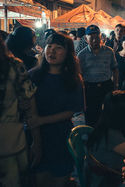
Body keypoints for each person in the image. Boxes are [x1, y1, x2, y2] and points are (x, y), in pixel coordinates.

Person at [29, 33, 84, 187]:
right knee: (40, 179)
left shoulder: (73, 80)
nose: (51, 51)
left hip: (61, 136)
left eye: (58, 48)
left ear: (67, 53)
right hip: (36, 136)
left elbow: (72, 110)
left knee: (60, 179)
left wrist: (42, 120)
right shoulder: (33, 76)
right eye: (49, 46)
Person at [0, 36, 41, 187]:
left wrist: (36, 141)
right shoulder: (15, 65)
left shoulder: (14, 66)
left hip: (11, 144)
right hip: (13, 142)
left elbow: (29, 103)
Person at [78, 25, 118, 126]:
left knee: (108, 114)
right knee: (91, 116)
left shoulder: (109, 51)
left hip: (106, 86)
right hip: (89, 88)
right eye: (91, 38)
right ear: (86, 39)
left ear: (101, 37)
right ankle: (92, 137)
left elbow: (115, 69)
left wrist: (115, 86)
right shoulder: (81, 55)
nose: (95, 40)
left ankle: (106, 137)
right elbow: (79, 75)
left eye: (97, 37)